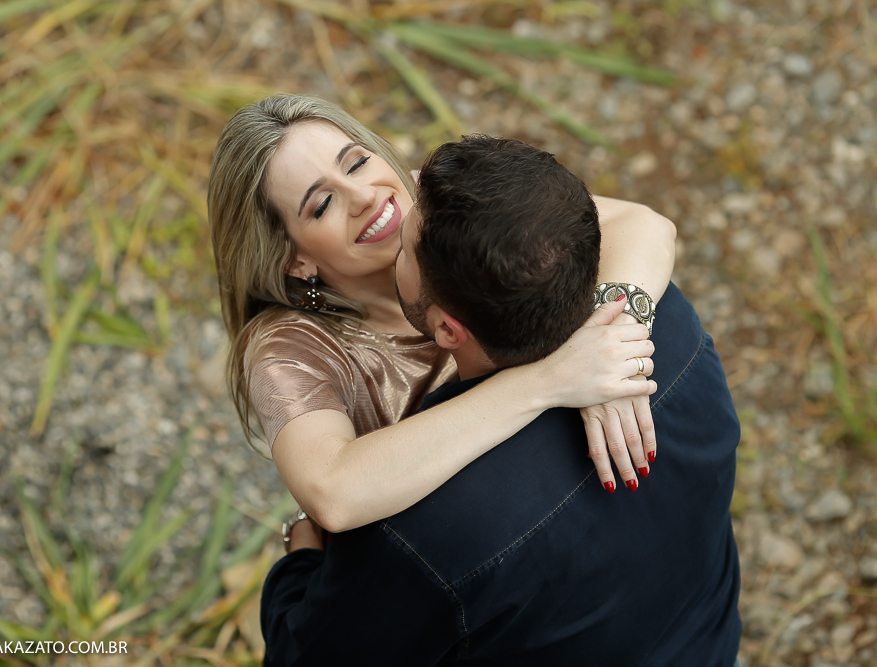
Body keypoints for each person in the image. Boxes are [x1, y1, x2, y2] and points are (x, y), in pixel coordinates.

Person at [260, 135, 742, 666]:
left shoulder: (425, 531)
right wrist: (575, 358)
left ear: (448, 330)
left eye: (404, 251)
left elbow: (303, 656)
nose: (381, 201)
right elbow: (645, 225)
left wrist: (303, 543)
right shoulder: (672, 328)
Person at [208, 94, 676, 534]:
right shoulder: (287, 349)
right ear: (295, 261)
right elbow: (331, 493)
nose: (365, 196)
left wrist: (614, 346)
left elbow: (643, 224)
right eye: (323, 204)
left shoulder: (427, 201)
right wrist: (550, 379)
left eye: (357, 162)